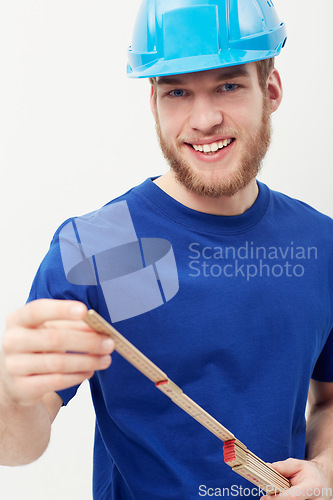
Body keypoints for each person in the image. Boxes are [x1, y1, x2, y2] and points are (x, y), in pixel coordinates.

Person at [0, 1, 332, 499]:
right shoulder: (99, 247)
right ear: (153, 103)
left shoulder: (320, 244)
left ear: (271, 90)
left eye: (228, 85)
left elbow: (327, 400)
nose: (204, 119)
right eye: (177, 91)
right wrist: (10, 394)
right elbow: (19, 446)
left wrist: (326, 468)